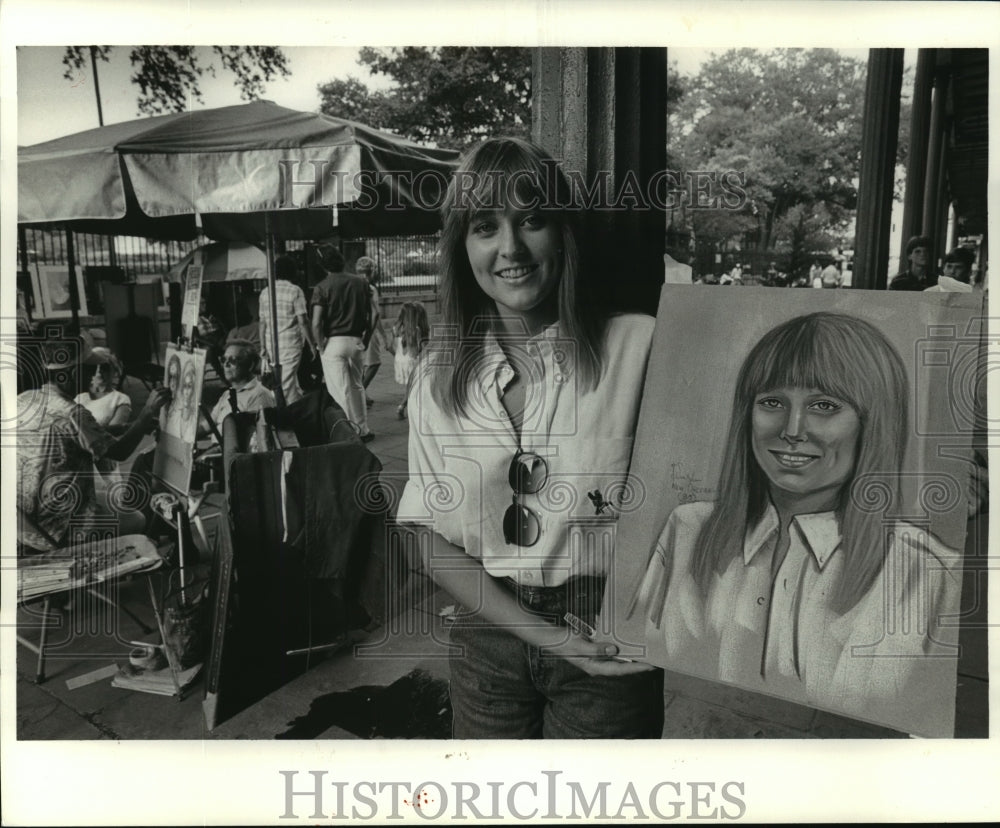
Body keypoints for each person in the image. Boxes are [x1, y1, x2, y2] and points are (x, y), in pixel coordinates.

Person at [397, 136, 663, 739]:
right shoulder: (439, 373)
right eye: (485, 227)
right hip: (485, 633)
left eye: (532, 221)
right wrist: (545, 636)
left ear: (562, 234)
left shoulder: (640, 347)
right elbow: (425, 534)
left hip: (610, 624)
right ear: (461, 247)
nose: (511, 248)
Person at [632, 312, 962, 733]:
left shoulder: (926, 572)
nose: (792, 429)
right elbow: (642, 647)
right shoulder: (687, 529)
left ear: (873, 422)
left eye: (824, 406)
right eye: (772, 402)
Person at [16, 333, 171, 553]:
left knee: (110, 499)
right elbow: (119, 452)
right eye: (88, 368)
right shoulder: (73, 414)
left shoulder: (22, 400)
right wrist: (147, 412)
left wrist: (134, 427)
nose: (93, 374)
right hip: (59, 528)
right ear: (72, 372)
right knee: (136, 519)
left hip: (22, 520)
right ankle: (117, 573)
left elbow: (73, 436)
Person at [310, 244, 374, 442]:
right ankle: (363, 429)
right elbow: (374, 315)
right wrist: (366, 339)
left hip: (333, 342)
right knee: (357, 387)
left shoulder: (322, 287)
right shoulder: (360, 283)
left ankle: (347, 433)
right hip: (356, 341)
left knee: (339, 390)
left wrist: (320, 346)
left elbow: (316, 323)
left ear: (322, 265)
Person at [259, 254, 315, 405]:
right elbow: (303, 321)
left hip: (272, 345)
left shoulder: (265, 292)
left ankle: (299, 409)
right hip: (291, 344)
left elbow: (262, 323)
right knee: (285, 384)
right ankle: (282, 416)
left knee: (290, 382)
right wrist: (312, 345)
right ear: (292, 272)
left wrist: (263, 346)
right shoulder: (295, 290)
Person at [203, 338, 275, 439]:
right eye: (223, 360)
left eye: (233, 360)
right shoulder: (227, 394)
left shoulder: (260, 395)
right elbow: (207, 426)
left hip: (226, 452)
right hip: (218, 449)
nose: (226, 365)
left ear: (251, 365)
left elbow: (253, 442)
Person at [356, 255, 390, 406]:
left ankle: (361, 392)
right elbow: (375, 314)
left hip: (354, 329)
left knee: (361, 365)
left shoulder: (353, 285)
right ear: (372, 271)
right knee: (374, 363)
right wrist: (383, 336)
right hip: (369, 330)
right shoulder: (370, 289)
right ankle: (360, 392)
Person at [389, 301, 429, 420]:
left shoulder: (395, 329)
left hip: (400, 361)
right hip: (413, 362)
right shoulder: (416, 330)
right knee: (415, 387)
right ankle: (404, 406)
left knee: (410, 387)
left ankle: (404, 406)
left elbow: (391, 347)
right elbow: (421, 350)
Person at [74, 348, 132, 428]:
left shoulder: (120, 399)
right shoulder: (77, 392)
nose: (98, 371)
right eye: (94, 367)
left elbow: (113, 433)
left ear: (114, 371)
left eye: (104, 368)